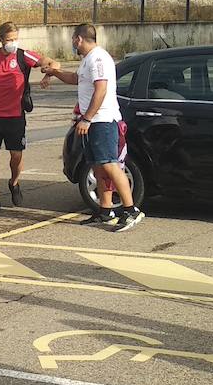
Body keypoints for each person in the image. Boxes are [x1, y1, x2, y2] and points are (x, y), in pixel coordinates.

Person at [39, 23, 144, 232]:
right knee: (98, 166)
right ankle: (105, 211)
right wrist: (55, 72)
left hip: (102, 120)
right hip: (93, 122)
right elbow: (76, 79)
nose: (72, 44)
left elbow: (101, 89)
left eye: (72, 39)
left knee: (109, 164)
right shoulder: (87, 60)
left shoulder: (98, 58)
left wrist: (87, 118)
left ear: (79, 39)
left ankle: (131, 209)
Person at [0, 22, 57, 215]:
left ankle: (14, 181)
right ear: (0, 39)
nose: (13, 43)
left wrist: (48, 75)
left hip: (15, 116)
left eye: (15, 39)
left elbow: (51, 62)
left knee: (16, 157)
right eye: (9, 40)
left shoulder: (23, 55)